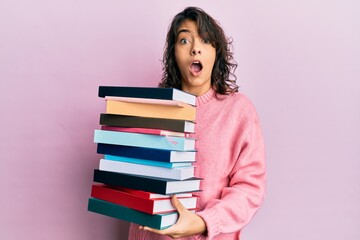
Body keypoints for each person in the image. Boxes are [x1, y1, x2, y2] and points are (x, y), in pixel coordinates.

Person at [128, 6, 266, 240]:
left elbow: (250, 190)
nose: (195, 49)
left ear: (216, 52)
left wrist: (204, 221)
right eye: (184, 40)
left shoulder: (239, 110)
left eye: (205, 40)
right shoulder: (152, 109)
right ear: (173, 53)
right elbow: (134, 178)